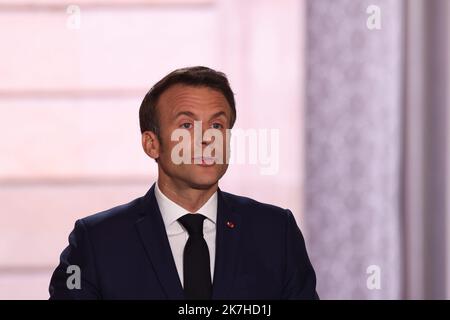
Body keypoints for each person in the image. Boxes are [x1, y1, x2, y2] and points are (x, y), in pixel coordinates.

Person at [49, 66, 318, 299]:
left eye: (216, 126)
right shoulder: (97, 241)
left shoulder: (275, 232)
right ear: (152, 144)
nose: (206, 139)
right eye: (187, 125)